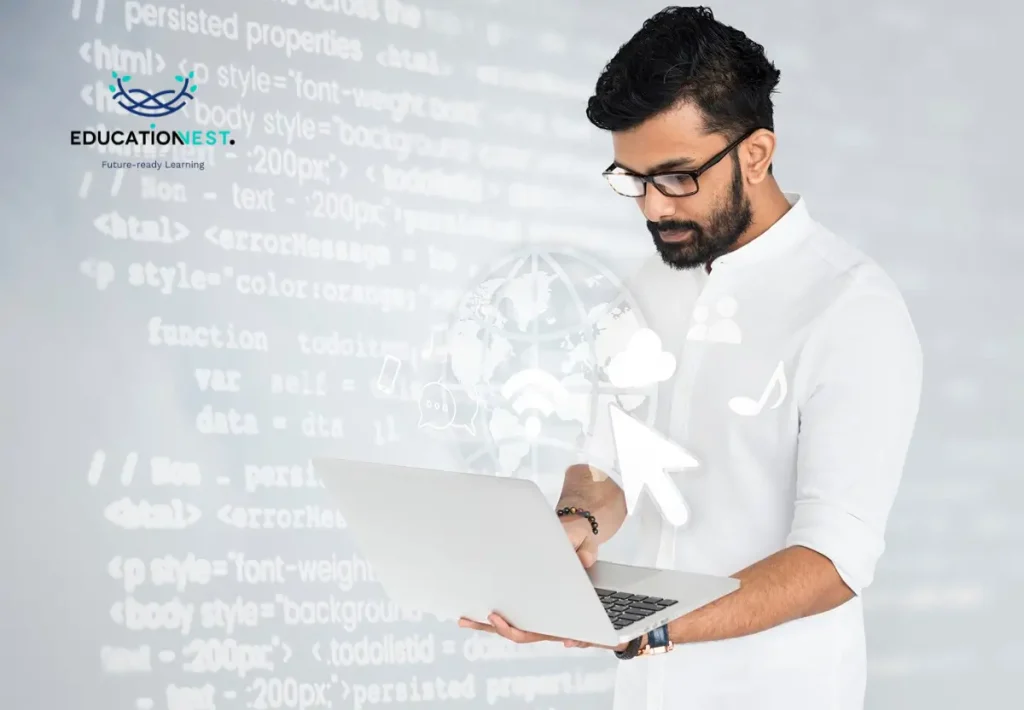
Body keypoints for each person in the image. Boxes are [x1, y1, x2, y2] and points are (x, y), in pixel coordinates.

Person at [458, 6, 923, 710]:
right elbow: (606, 466)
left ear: (756, 154)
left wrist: (646, 627)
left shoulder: (851, 307)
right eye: (632, 178)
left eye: (675, 177)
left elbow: (833, 561)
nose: (651, 208)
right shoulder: (641, 290)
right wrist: (574, 527)